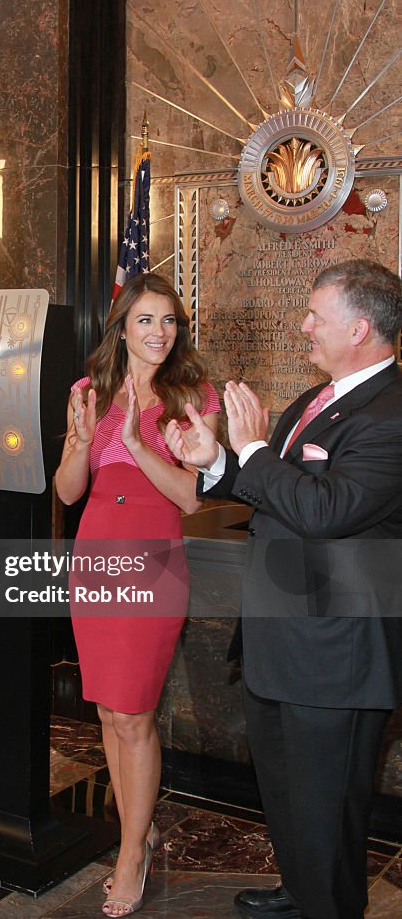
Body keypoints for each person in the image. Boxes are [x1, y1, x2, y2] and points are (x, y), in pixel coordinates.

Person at [165, 258, 402, 919]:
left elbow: (326, 511)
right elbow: (274, 496)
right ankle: (299, 893)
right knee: (291, 796)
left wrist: (255, 451)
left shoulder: (391, 413)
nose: (302, 326)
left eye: (314, 316)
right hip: (280, 637)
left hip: (336, 657)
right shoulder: (314, 399)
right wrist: (213, 459)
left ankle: (323, 903)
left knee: (328, 812)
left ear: (357, 328)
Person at [55, 273, 220, 917]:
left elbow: (188, 496)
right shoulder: (87, 391)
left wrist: (131, 443)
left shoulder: (193, 397)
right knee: (105, 712)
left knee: (133, 714)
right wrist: (78, 441)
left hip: (153, 564)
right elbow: (69, 491)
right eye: (147, 320)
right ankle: (138, 828)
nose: (160, 332)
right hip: (95, 560)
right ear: (121, 326)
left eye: (170, 320)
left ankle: (131, 855)